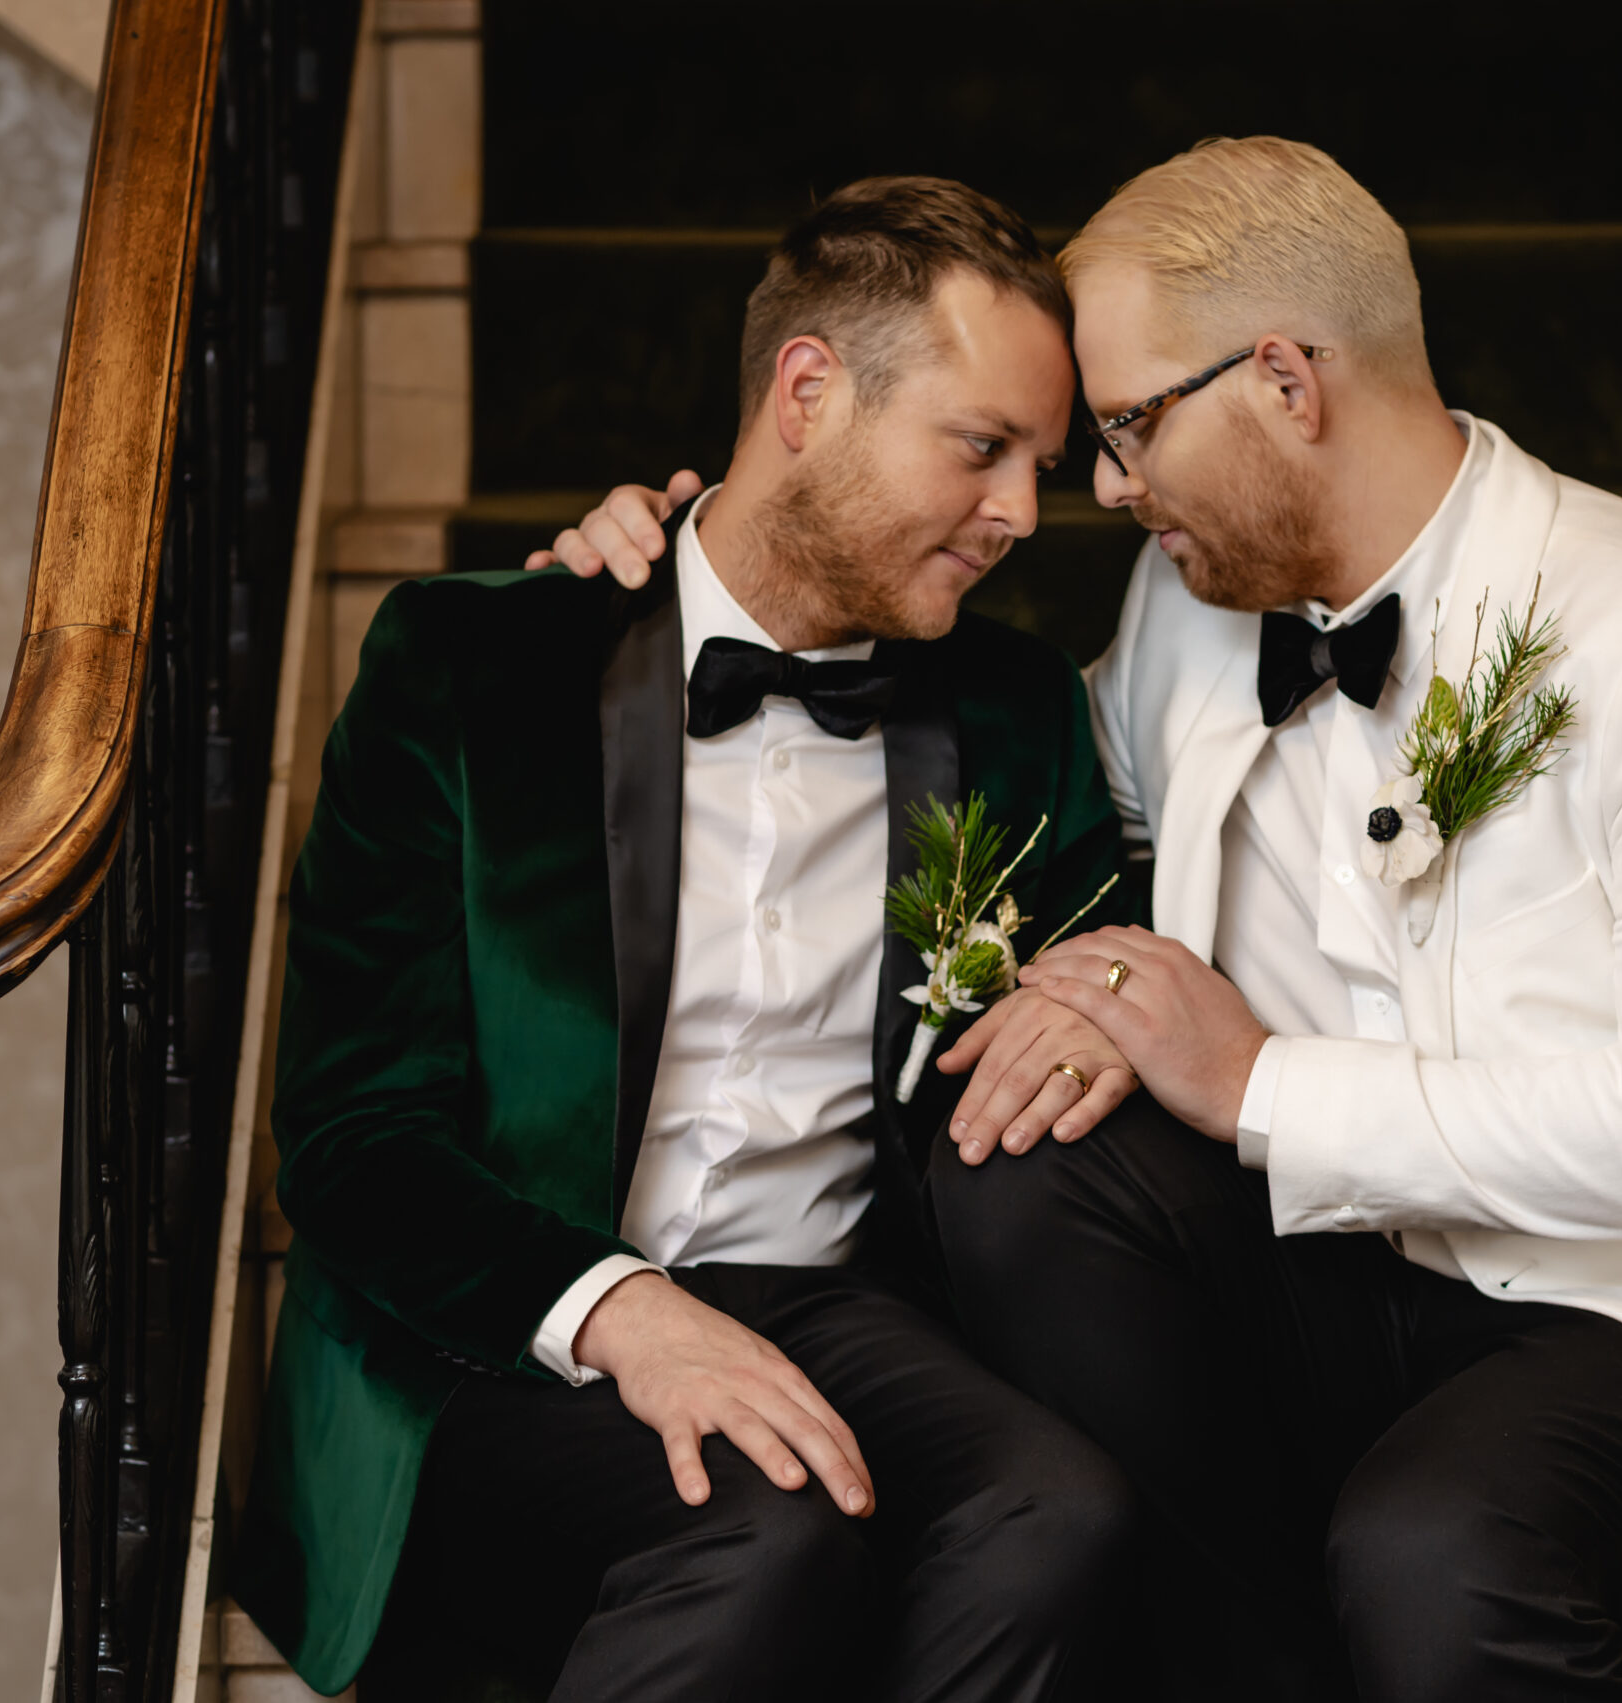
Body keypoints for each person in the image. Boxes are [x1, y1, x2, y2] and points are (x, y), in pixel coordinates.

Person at [546, 138, 1622, 1701]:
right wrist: (699, 567)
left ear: (1281, 382)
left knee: (1435, 1549)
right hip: (1355, 1269)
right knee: (1022, 1160)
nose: (1102, 493)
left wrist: (1252, 1079)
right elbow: (1023, 787)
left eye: (1127, 428)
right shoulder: (1188, 619)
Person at [232, 176, 1144, 1703]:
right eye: (980, 449)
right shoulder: (473, 666)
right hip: (497, 1342)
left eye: (1038, 466)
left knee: (1060, 1516)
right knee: (763, 1541)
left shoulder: (1013, 707)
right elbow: (347, 1137)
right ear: (809, 393)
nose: (1019, 517)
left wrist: (1107, 993)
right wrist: (620, 1311)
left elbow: (1099, 957)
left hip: (837, 1306)